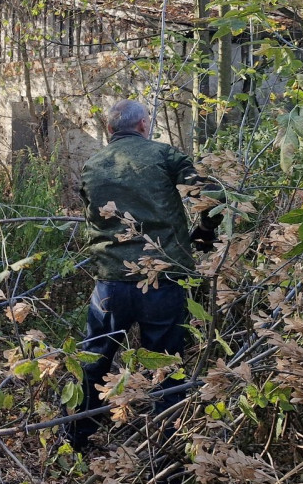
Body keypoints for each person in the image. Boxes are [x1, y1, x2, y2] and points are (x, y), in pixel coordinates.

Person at [67, 98, 221, 450]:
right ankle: (163, 451)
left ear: (109, 130)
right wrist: (205, 235)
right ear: (142, 126)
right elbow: (211, 197)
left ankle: (76, 438)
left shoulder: (93, 164)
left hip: (111, 283)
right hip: (163, 281)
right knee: (165, 367)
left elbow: (93, 216)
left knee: (94, 362)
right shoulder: (166, 156)